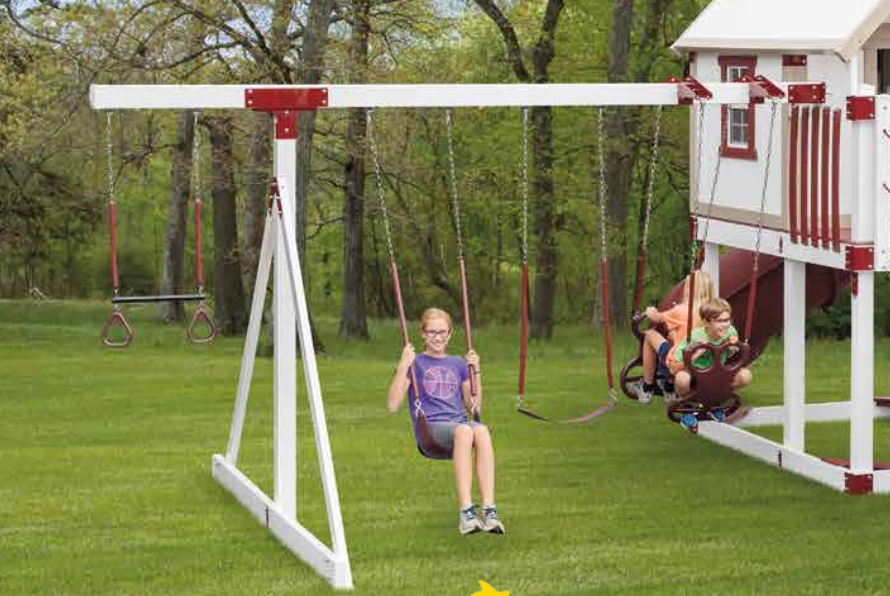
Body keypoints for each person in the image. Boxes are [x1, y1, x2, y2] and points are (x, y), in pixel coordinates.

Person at [386, 307, 505, 536]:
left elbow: (474, 406)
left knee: (481, 430)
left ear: (450, 334)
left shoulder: (458, 363)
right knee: (465, 430)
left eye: (442, 332)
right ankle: (466, 513)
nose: (437, 337)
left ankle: (489, 510)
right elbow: (392, 404)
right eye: (432, 332)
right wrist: (403, 365)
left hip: (460, 427)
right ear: (422, 334)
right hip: (431, 429)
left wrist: (476, 370)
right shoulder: (415, 363)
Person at [628, 270, 715, 404]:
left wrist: (650, 311)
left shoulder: (682, 310)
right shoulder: (714, 312)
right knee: (671, 337)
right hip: (702, 360)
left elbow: (657, 318)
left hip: (680, 361)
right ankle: (668, 386)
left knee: (650, 335)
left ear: (688, 289)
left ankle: (647, 388)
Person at [672, 297, 753, 398]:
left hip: (717, 372)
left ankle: (720, 396)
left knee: (746, 376)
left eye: (727, 320)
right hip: (695, 374)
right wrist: (696, 354)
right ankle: (687, 402)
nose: (724, 325)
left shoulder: (730, 331)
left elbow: (732, 353)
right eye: (719, 321)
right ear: (706, 323)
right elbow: (674, 368)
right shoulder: (695, 336)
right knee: (681, 379)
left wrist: (733, 348)